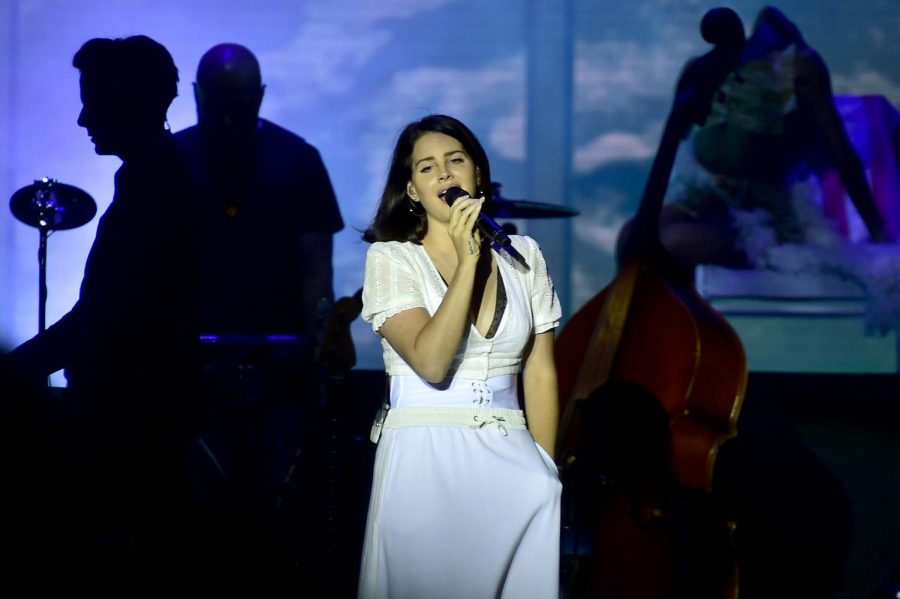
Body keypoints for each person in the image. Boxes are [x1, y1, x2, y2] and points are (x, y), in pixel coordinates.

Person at [3, 36, 201, 586]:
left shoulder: (155, 189)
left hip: (132, 431)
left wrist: (14, 372)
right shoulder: (155, 180)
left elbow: (105, 315)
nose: (83, 117)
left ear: (129, 101)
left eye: (93, 99)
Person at [357, 114, 562, 598]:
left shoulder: (524, 256)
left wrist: (546, 469)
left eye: (455, 161)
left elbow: (540, 370)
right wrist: (468, 260)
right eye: (427, 168)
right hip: (425, 460)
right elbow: (429, 361)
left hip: (513, 461)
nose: (445, 175)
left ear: (477, 174)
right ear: (412, 191)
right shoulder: (392, 259)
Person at [173, 43, 345, 587]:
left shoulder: (296, 159)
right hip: (192, 365)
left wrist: (319, 344)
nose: (226, 117)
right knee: (201, 506)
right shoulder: (171, 161)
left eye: (237, 104)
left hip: (278, 363)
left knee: (270, 503)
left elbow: (316, 268)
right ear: (198, 97)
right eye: (220, 104)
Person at [647, 6, 891, 272]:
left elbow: (842, 154)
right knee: (635, 238)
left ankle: (760, 260)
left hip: (763, 210)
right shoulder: (706, 67)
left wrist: (877, 229)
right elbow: (675, 143)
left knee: (674, 242)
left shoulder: (800, 66)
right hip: (706, 194)